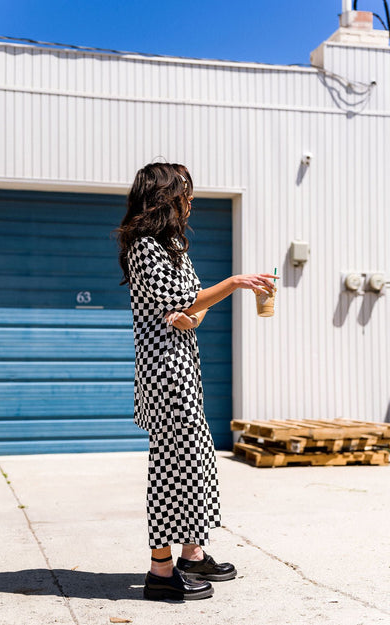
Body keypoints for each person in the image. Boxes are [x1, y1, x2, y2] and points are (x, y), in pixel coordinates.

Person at [118, 162, 276, 601]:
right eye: (185, 193)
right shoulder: (145, 246)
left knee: (195, 462)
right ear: (165, 197)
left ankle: (190, 553)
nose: (191, 200)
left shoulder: (173, 246)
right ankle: (160, 569)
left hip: (185, 364)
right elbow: (187, 301)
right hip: (164, 369)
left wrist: (192, 309)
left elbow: (192, 311)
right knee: (171, 464)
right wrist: (235, 282)